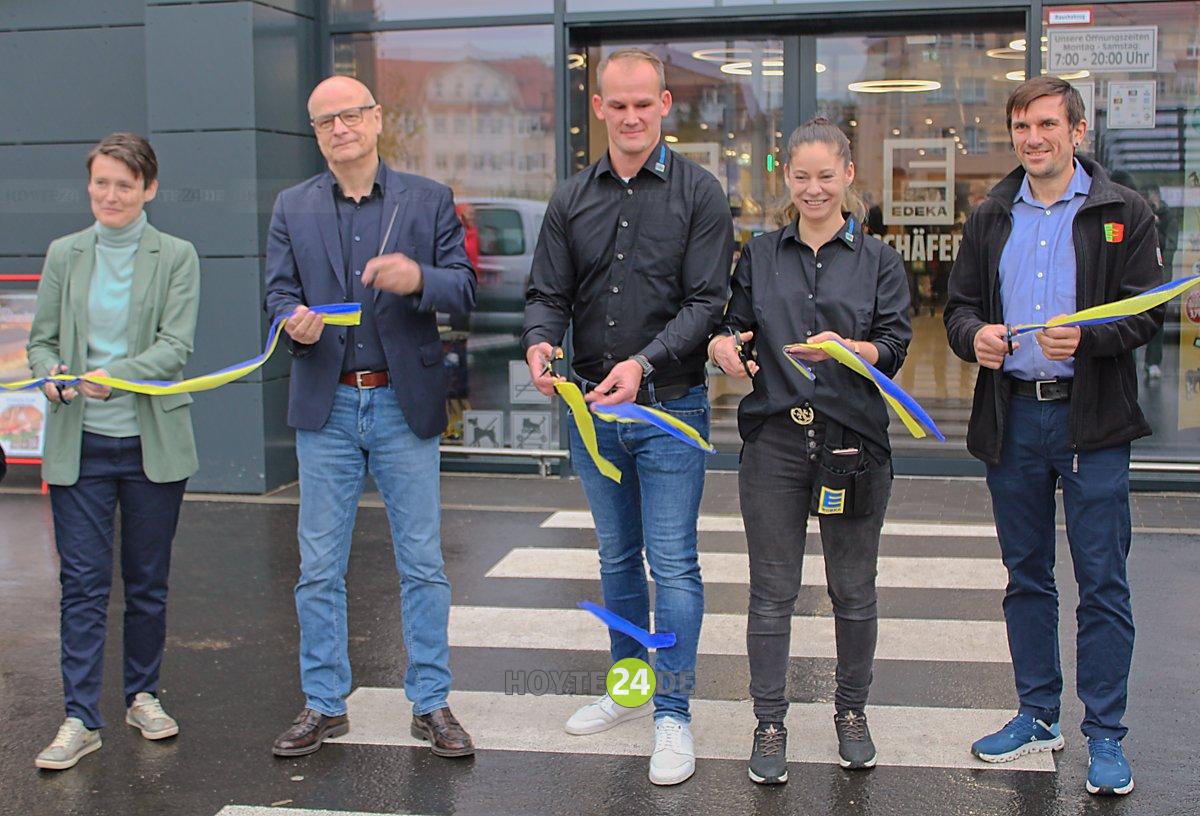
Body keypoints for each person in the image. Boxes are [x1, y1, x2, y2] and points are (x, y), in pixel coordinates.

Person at [943, 77, 1163, 797]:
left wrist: (1091, 336)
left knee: (1102, 582)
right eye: (1020, 127)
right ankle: (1038, 714)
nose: (1032, 138)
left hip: (1091, 420)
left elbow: (1145, 315)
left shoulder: (1122, 211)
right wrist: (975, 337)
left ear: (1077, 130)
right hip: (1014, 418)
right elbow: (959, 308)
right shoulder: (991, 215)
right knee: (1026, 578)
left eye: (1044, 124)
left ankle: (1106, 735)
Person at [523, 47, 732, 785]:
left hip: (671, 407)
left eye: (645, 103)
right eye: (619, 104)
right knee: (616, 560)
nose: (633, 115)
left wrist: (641, 363)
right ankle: (629, 690)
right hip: (590, 413)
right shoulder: (570, 198)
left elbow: (709, 303)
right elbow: (546, 292)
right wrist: (541, 342)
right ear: (600, 109)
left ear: (666, 105)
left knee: (671, 561)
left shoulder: (701, 194)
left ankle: (672, 713)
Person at [264, 76, 477, 759]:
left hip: (400, 402)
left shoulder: (428, 199)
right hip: (325, 403)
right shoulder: (293, 206)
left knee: (421, 561)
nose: (339, 127)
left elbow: (465, 288)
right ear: (316, 132)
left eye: (350, 114)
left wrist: (418, 279)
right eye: (324, 119)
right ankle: (324, 703)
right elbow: (276, 294)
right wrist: (290, 324)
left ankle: (432, 701)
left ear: (377, 119)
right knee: (318, 565)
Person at [709, 117, 911, 783]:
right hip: (775, 442)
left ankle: (851, 712)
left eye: (826, 176)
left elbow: (896, 342)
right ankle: (770, 722)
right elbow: (734, 325)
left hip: (852, 444)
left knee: (853, 589)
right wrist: (725, 347)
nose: (814, 189)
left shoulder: (880, 261)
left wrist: (863, 353)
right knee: (771, 593)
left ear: (849, 176)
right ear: (786, 180)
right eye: (802, 177)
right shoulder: (760, 254)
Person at [26, 132, 200, 770]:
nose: (110, 194)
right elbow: (41, 342)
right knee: (82, 584)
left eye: (124, 184)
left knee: (147, 584)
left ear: (149, 189)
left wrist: (117, 376)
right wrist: (49, 371)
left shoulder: (177, 255)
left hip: (152, 444)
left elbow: (175, 347)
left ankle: (142, 695)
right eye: (101, 182)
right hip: (81, 445)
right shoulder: (65, 254)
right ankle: (79, 717)